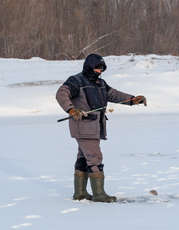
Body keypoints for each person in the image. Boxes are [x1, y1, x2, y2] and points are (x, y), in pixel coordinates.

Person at [56, 53, 146, 203]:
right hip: (83, 126)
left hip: (94, 127)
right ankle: (99, 194)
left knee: (84, 158)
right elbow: (61, 94)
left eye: (102, 69)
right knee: (95, 158)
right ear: (89, 67)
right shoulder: (76, 81)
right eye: (97, 68)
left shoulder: (101, 84)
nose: (99, 71)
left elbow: (114, 95)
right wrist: (71, 110)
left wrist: (132, 99)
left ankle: (80, 193)